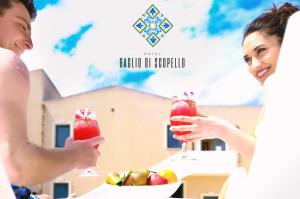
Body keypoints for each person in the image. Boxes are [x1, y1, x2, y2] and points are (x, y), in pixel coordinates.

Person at [170, 2, 299, 161]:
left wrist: (222, 130)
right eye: (248, 59)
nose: (255, 65)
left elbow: (275, 161)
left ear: (287, 46)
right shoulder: (273, 100)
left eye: (261, 51)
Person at [0, 0, 104, 187]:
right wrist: (76, 156)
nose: (30, 44)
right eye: (21, 26)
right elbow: (17, 167)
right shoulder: (6, 62)